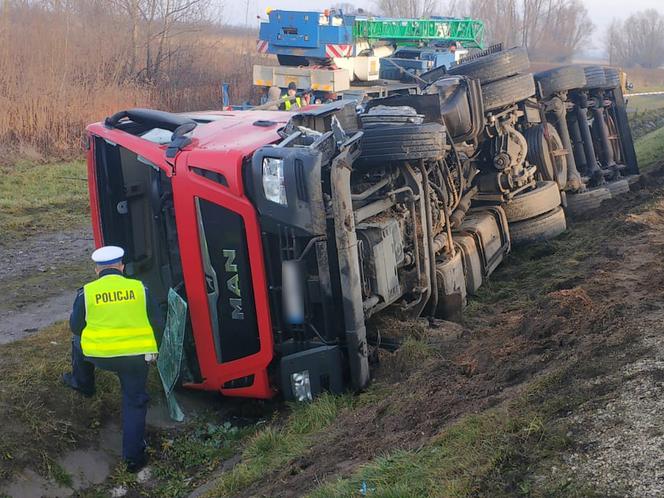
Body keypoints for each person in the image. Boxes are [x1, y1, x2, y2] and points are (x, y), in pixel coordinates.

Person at [62, 246, 164, 472]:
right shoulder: (139, 288)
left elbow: (76, 327)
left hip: (101, 355)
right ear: (122, 267)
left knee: (78, 344)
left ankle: (83, 383)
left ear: (97, 270)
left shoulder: (87, 292)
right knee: (134, 402)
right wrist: (155, 349)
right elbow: (157, 322)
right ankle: (133, 460)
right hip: (136, 357)